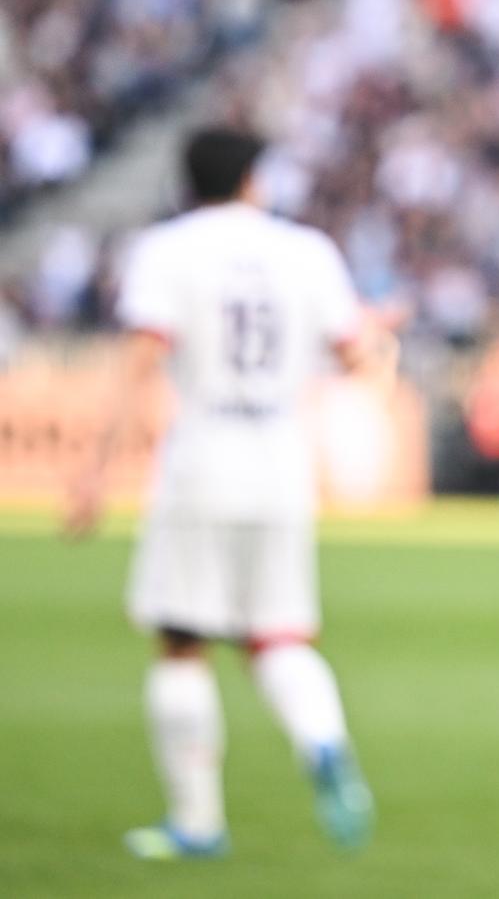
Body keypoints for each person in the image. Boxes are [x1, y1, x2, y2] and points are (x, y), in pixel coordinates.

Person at [66, 127, 385, 858]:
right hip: (281, 459)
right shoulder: (308, 251)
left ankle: (198, 822)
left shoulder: (168, 250)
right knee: (276, 633)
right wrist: (375, 332)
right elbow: (357, 357)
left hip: (204, 456)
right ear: (251, 178)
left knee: (182, 639)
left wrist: (92, 472)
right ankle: (325, 741)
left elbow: (139, 362)